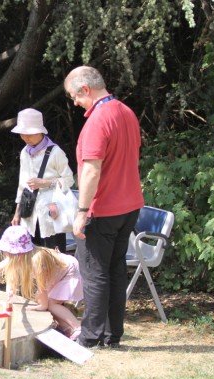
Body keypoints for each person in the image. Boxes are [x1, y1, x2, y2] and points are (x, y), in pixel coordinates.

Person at [64, 66, 144, 348]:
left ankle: (90, 337)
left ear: (86, 89)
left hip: (103, 210)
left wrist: (82, 211)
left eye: (75, 96)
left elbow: (91, 170)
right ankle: (113, 335)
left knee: (95, 272)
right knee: (115, 270)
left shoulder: (98, 120)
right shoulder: (127, 112)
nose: (75, 103)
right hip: (130, 206)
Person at [0, 226, 82, 338]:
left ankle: (77, 328)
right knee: (49, 302)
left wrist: (42, 306)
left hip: (69, 272)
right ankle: (66, 327)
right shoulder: (19, 258)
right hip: (59, 273)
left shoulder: (36, 260)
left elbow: (42, 287)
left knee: (51, 304)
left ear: (16, 252)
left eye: (6, 250)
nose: (4, 253)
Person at [10, 108, 74, 252]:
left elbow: (69, 180)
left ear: (40, 131)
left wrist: (45, 183)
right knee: (31, 254)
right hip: (30, 212)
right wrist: (17, 213)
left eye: (29, 134)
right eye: (22, 134)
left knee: (55, 256)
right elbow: (22, 185)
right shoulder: (24, 152)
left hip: (52, 213)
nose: (26, 137)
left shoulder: (56, 152)